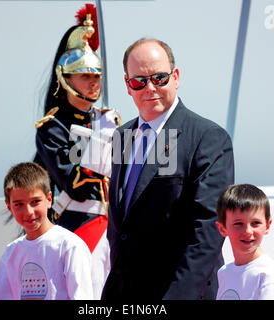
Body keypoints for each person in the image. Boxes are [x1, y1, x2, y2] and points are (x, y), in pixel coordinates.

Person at [101, 38, 235, 300]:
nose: (149, 87)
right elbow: (119, 226)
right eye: (139, 81)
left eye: (159, 78)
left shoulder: (207, 138)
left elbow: (206, 233)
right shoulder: (121, 136)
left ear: (176, 77)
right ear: (128, 86)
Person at [34, 4, 119, 299]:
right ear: (65, 79)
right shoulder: (51, 127)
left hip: (116, 226)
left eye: (97, 76)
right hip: (77, 225)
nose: (94, 82)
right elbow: (76, 185)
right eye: (85, 76)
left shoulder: (111, 119)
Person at [0, 162, 93, 300]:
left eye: (35, 202)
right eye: (19, 204)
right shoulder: (12, 252)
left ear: (49, 199)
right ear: (9, 207)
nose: (28, 212)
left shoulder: (69, 246)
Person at [215, 184, 274, 300]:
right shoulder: (224, 273)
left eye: (255, 223)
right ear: (222, 229)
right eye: (238, 224)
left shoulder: (269, 276)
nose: (248, 231)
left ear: (267, 226)